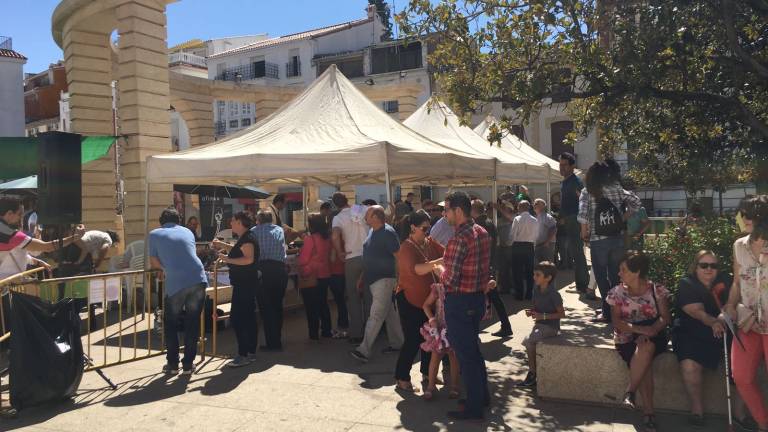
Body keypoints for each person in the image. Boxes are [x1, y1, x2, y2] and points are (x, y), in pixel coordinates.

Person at [426, 191, 491, 421]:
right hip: (476, 299)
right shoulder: (481, 232)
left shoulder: (457, 239)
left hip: (460, 302)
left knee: (466, 356)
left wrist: (438, 269)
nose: (444, 214)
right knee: (473, 351)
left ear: (458, 211)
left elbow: (449, 279)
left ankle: (474, 408)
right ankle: (480, 397)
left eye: (447, 210)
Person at [606, 251, 670, 432]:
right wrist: (641, 330)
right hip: (627, 336)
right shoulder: (617, 293)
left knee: (646, 346)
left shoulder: (656, 290)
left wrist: (652, 330)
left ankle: (630, 392)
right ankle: (648, 413)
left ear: (637, 272)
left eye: (623, 270)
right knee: (645, 357)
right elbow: (617, 322)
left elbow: (665, 318)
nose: (619, 273)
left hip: (654, 333)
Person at [579, 160, 642, 322]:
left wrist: (584, 233)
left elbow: (583, 215)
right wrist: (622, 217)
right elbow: (636, 202)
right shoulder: (617, 189)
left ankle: (607, 312)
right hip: (617, 238)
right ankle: (618, 310)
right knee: (615, 276)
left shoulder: (588, 191)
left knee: (601, 276)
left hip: (598, 240)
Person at [673, 250, 731, 427]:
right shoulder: (687, 283)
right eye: (704, 265)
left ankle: (740, 414)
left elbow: (733, 303)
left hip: (721, 329)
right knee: (690, 365)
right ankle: (697, 409)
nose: (708, 269)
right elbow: (696, 312)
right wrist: (714, 321)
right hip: (691, 329)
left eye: (713, 266)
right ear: (695, 267)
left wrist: (725, 316)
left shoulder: (726, 281)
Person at [148, 207, 208, 375]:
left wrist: (163, 269)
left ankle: (173, 364)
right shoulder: (188, 232)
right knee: (192, 323)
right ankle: (188, 364)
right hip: (198, 277)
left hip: (175, 282)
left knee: (171, 324)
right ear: (179, 221)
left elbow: (154, 262)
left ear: (161, 221)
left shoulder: (154, 234)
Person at [394, 211, 444, 391]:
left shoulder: (428, 242)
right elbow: (417, 269)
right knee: (413, 339)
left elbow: (445, 252)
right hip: (409, 299)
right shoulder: (406, 247)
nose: (427, 231)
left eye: (428, 228)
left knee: (429, 338)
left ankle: (426, 372)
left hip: (427, 300)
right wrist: (438, 262)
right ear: (413, 228)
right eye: (424, 228)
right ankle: (401, 376)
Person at [725, 221, 768, 432]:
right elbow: (736, 281)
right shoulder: (739, 245)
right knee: (741, 377)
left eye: (749, 215)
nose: (743, 219)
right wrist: (731, 304)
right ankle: (763, 424)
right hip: (748, 322)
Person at [350, 206, 404, 362]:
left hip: (384, 280)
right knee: (389, 313)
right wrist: (362, 276)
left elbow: (398, 257)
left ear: (375, 216)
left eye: (367, 214)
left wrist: (399, 280)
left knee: (375, 315)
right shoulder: (373, 231)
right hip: (375, 279)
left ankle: (363, 350)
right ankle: (398, 343)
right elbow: (370, 256)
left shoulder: (387, 232)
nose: (364, 216)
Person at [214, 212, 259, 367]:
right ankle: (250, 352)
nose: (230, 223)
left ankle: (243, 354)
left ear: (240, 222)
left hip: (245, 285)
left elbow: (248, 259)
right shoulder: (246, 237)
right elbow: (240, 250)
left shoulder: (248, 238)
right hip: (245, 284)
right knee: (248, 318)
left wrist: (227, 259)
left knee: (238, 319)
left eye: (232, 221)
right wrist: (224, 246)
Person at [0, 197, 84, 280]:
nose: (21, 217)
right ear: (9, 213)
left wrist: (37, 261)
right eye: (19, 214)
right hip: (6, 283)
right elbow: (47, 247)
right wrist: (75, 237)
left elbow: (17, 252)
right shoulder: (11, 234)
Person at [331, 192, 371, 344]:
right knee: (369, 295)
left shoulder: (338, 218)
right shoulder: (363, 209)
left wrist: (340, 252)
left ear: (335, 204)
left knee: (353, 296)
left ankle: (356, 333)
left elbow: (335, 236)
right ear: (348, 200)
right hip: (369, 255)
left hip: (352, 257)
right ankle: (371, 331)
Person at [518, 261, 564, 388]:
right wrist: (532, 312)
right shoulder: (536, 290)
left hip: (551, 327)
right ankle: (533, 372)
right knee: (529, 343)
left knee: (528, 341)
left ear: (548, 278)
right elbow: (538, 309)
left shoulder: (554, 294)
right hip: (539, 326)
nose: (534, 277)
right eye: (534, 274)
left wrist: (543, 316)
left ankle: (532, 373)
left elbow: (561, 314)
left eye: (538, 275)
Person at [471, 199, 512, 337]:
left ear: (473, 210)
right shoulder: (488, 222)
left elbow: (483, 247)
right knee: (493, 298)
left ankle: (505, 326)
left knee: (486, 298)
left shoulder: (481, 224)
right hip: (489, 265)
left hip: (485, 266)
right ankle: (505, 325)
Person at [251, 209, 288, 351]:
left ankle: (272, 343)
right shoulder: (279, 229)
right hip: (279, 270)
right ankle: (277, 340)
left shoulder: (254, 231)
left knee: (266, 309)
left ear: (258, 220)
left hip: (263, 271)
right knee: (277, 306)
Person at [420, 279, 461, 400]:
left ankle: (454, 386)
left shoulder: (460, 287)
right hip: (440, 328)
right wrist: (432, 319)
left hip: (455, 327)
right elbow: (426, 305)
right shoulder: (438, 288)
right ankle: (431, 386)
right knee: (435, 356)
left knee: (454, 357)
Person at [297, 213, 333, 340]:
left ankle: (313, 333)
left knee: (311, 307)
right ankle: (326, 330)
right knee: (323, 303)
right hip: (325, 273)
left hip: (312, 274)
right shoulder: (327, 238)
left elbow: (303, 259)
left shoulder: (310, 239)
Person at [559, 152, 590, 293]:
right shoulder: (566, 182)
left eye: (565, 165)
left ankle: (583, 285)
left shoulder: (575, 182)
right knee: (575, 252)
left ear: (572, 166)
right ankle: (581, 283)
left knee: (577, 253)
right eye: (560, 165)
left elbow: (584, 202)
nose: (562, 168)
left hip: (574, 219)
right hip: (569, 219)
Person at [508, 200, 539, 300]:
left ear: (520, 207)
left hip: (518, 246)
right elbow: (536, 235)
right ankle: (529, 294)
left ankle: (519, 294)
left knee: (517, 271)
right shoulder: (535, 220)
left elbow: (513, 234)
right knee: (530, 271)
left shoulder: (517, 219)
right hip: (529, 246)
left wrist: (510, 244)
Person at [534, 198, 557, 263]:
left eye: (536, 203)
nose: (534, 205)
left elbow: (553, 229)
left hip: (546, 245)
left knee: (548, 266)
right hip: (538, 245)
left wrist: (547, 242)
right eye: (534, 203)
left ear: (543, 206)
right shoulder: (535, 217)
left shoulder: (548, 217)